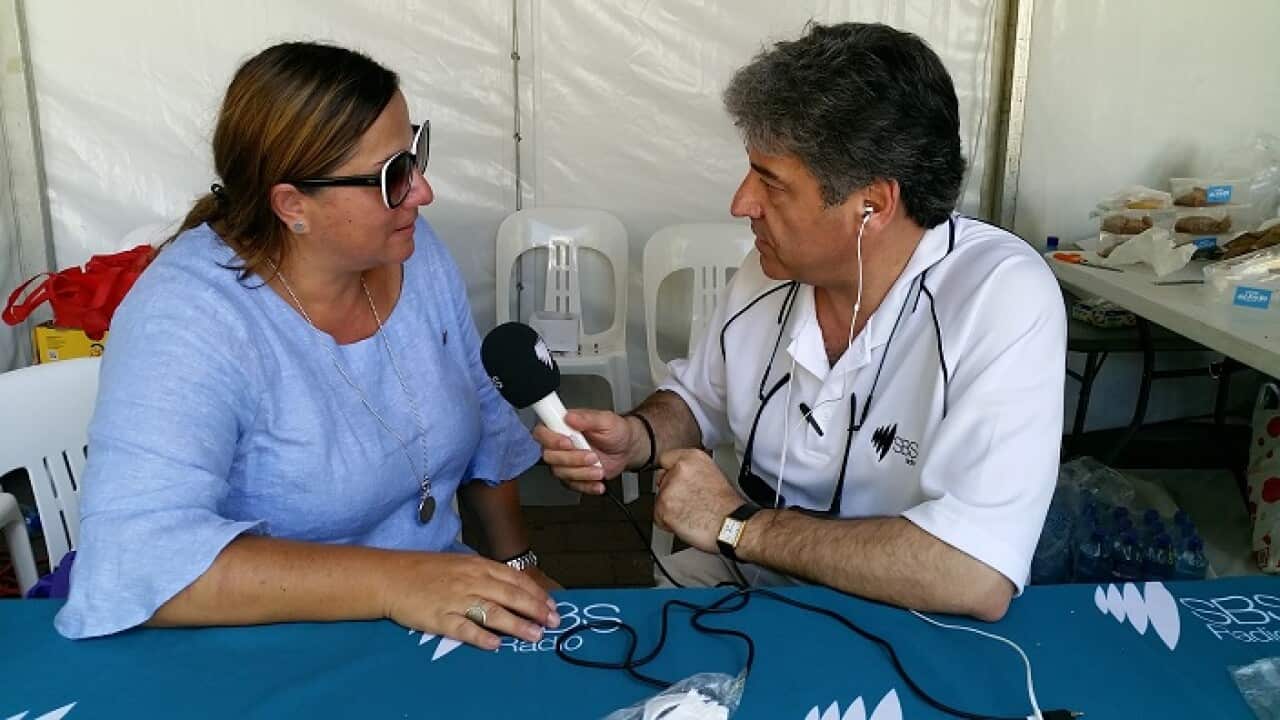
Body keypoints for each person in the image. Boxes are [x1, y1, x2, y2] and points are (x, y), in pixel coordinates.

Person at [534, 22, 1065, 621]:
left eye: (771, 182)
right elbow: (699, 399)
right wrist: (638, 438)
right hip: (733, 585)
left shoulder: (999, 296)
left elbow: (972, 574)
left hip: (900, 615)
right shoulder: (769, 270)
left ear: (872, 205)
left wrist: (737, 525)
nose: (741, 203)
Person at [56, 42, 560, 649]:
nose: (422, 191)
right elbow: (133, 559)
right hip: (264, 645)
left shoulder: (411, 249)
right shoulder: (187, 317)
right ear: (292, 204)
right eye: (391, 176)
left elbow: (479, 408)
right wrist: (397, 581)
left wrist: (516, 565)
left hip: (435, 615)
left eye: (414, 154)